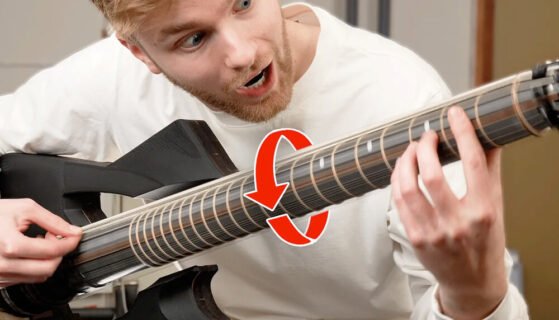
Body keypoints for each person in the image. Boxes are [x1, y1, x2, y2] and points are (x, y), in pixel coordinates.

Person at [0, 0, 529, 319]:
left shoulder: (399, 94)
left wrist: (471, 293)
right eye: (194, 38)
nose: (243, 52)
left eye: (245, 1)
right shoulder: (112, 77)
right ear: (140, 54)